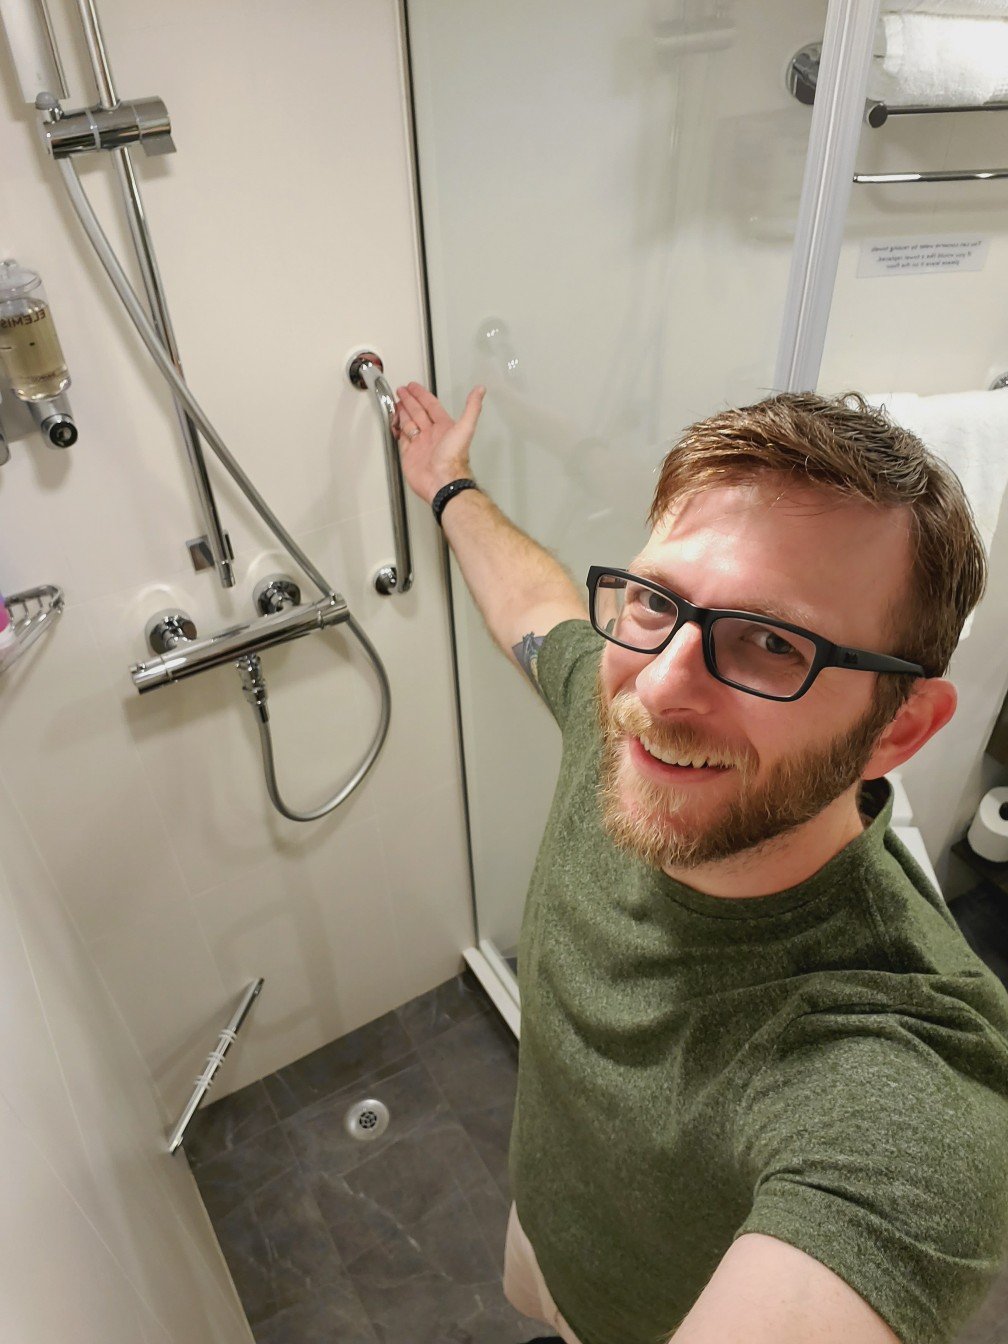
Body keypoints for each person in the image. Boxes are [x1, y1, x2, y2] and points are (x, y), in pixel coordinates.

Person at [393, 380, 1008, 1344]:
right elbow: (534, 606)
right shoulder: (618, 723)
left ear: (899, 729)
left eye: (770, 642)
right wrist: (447, 484)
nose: (662, 686)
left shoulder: (901, 1073)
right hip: (550, 1227)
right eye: (655, 600)